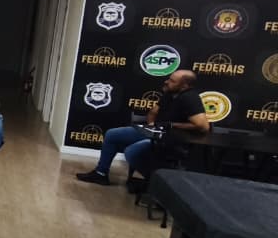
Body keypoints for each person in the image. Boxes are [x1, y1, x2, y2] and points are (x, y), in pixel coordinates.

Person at [76, 69, 209, 185]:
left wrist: (171, 125)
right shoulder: (169, 94)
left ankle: (159, 183)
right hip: (156, 132)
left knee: (132, 151)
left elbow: (203, 126)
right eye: (169, 78)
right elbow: (153, 112)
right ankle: (101, 174)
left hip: (172, 140)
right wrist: (151, 126)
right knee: (112, 134)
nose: (167, 82)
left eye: (172, 81)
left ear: (185, 86)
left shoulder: (190, 98)